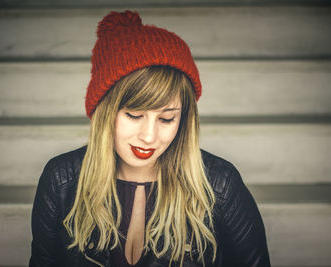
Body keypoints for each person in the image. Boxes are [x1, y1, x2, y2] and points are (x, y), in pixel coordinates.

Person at [29, 10, 270, 267]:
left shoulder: (220, 185)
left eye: (166, 119)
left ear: (184, 118)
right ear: (105, 112)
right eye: (134, 115)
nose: (149, 136)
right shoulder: (61, 180)